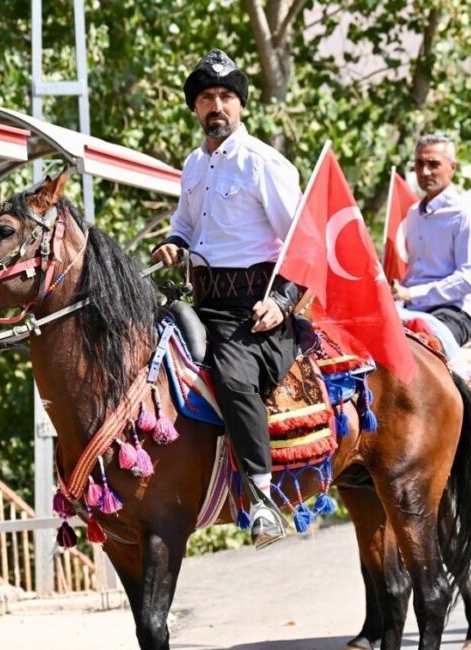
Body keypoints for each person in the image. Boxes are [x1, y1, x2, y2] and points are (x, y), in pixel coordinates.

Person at [151, 49, 302, 549]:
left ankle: (262, 500)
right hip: (202, 301)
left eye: (226, 97)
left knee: (234, 379)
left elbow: (304, 242)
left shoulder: (264, 163)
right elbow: (186, 226)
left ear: (240, 105)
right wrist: (174, 243)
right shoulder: (194, 165)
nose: (217, 106)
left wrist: (282, 300)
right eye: (207, 98)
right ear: (195, 107)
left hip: (256, 310)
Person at [391, 133, 471, 354]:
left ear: (453, 167)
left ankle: (462, 391)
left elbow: (469, 278)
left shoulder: (464, 214)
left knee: (425, 355)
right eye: (419, 164)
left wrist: (412, 294)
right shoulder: (414, 214)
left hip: (453, 311)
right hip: (410, 308)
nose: (424, 172)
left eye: (433, 164)